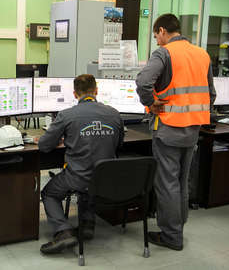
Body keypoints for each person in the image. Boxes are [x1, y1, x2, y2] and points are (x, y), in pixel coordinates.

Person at [136, 14, 216, 251]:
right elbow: (211, 94)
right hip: (193, 128)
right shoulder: (202, 54)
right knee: (182, 181)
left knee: (167, 182)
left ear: (162, 31)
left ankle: (171, 235)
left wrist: (151, 103)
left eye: (156, 36)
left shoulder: (165, 53)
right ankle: (177, 227)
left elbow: (143, 82)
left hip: (169, 127)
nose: (157, 41)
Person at [36, 74, 124, 254]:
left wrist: (64, 140)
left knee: (49, 193)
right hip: (105, 179)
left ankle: (63, 231)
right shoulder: (114, 114)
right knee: (91, 181)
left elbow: (44, 146)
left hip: (78, 177)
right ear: (97, 91)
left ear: (75, 94)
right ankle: (87, 226)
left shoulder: (66, 115)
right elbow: (119, 144)